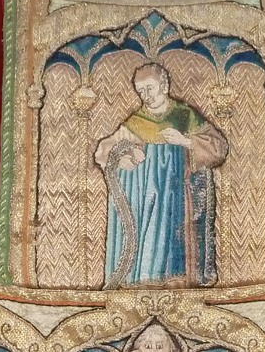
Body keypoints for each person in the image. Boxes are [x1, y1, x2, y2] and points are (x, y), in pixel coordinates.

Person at [95, 62, 227, 286]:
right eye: (141, 91)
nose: (146, 96)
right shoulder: (136, 122)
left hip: (179, 199)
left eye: (150, 88)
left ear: (164, 86)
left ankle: (176, 281)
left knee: (175, 251)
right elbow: (104, 150)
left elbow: (219, 148)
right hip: (144, 204)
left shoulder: (184, 115)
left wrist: (185, 141)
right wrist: (124, 156)